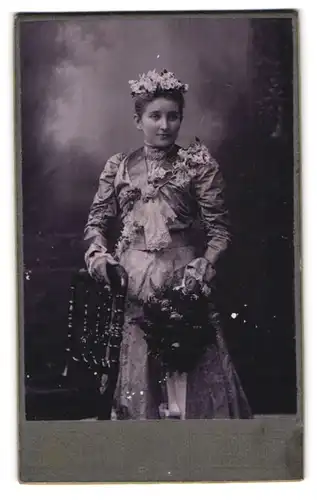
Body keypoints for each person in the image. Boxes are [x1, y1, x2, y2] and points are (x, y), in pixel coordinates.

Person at [84, 69, 252, 420]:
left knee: (188, 371)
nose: (164, 125)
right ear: (138, 119)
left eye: (172, 116)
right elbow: (97, 223)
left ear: (181, 119)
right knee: (138, 378)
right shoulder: (119, 167)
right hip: (131, 284)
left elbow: (219, 230)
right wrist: (100, 258)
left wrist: (205, 263)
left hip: (183, 280)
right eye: (154, 116)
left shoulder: (197, 165)